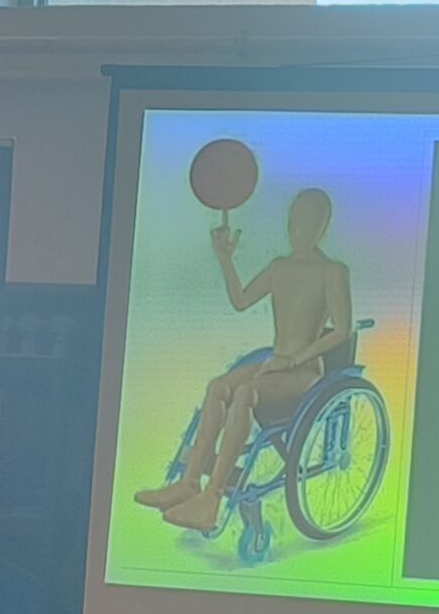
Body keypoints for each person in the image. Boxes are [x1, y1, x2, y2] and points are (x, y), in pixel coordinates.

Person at [136, 186, 354, 534]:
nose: (299, 230)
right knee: (218, 387)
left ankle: (212, 498)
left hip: (305, 373)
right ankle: (189, 483)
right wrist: (225, 259)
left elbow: (341, 331)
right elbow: (240, 300)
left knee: (244, 394)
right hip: (275, 365)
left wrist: (294, 360)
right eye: (295, 221)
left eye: (308, 222)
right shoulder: (280, 267)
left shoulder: (332, 271)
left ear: (322, 227)